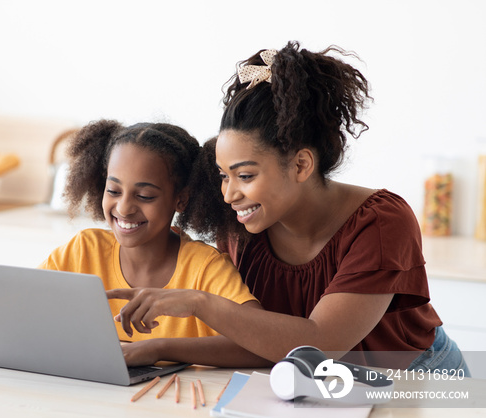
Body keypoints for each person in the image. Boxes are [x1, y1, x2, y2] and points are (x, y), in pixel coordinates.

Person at [108, 41, 470, 374]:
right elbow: (258, 341)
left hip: (417, 380)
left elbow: (321, 343)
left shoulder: (381, 223)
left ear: (300, 165)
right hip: (326, 387)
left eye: (245, 175)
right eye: (222, 176)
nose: (229, 194)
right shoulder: (241, 225)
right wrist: (158, 348)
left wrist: (199, 304)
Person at [39, 119, 266, 365]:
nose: (124, 208)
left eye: (145, 196)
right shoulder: (83, 250)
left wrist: (159, 348)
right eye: (114, 191)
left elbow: (261, 345)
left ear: (180, 200)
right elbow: (23, 308)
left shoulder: (205, 268)